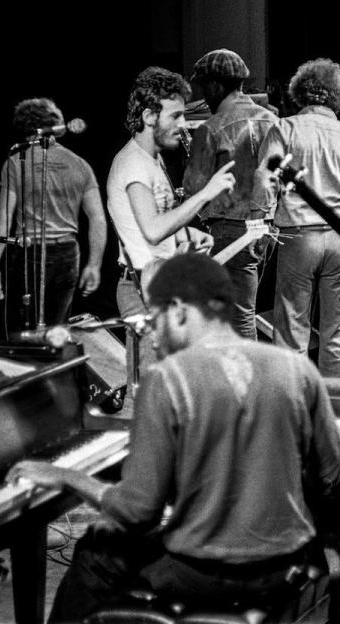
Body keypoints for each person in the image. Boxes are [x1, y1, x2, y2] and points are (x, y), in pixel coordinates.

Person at [7, 253, 340, 622]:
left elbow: (137, 512)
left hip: (205, 575)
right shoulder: (298, 368)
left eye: (154, 320)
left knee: (95, 553)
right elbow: (337, 477)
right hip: (287, 567)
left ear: (179, 310)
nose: (153, 338)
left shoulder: (167, 378)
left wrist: (66, 476)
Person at [107, 66, 235, 399]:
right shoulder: (132, 164)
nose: (183, 125)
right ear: (149, 115)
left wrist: (187, 236)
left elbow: (155, 223)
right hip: (142, 290)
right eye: (175, 116)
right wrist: (206, 194)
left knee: (174, 389)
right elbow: (151, 230)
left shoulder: (152, 161)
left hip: (158, 284)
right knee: (154, 394)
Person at [256, 58, 340, 378]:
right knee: (339, 333)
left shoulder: (283, 129)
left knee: (292, 330)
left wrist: (266, 215)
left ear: (300, 92)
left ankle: (292, 409)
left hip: (298, 236)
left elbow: (264, 183)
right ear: (339, 94)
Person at [0, 97, 107, 331]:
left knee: (26, 329)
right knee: (57, 330)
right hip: (68, 253)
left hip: (29, 252)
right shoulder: (80, 164)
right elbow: (98, 219)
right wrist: (94, 265)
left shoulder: (16, 161)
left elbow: (4, 216)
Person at [183, 48, 279, 340]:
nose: (203, 96)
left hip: (229, 229)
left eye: (203, 87)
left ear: (214, 85)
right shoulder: (273, 120)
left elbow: (193, 187)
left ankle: (245, 384)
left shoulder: (210, 128)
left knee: (236, 318)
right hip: (267, 227)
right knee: (243, 312)